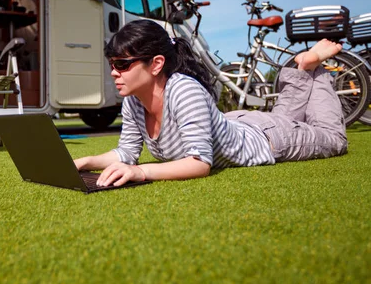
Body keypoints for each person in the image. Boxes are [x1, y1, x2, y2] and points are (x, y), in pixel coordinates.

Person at [74, 20, 347, 187]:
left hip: (270, 140)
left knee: (334, 139)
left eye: (122, 65)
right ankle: (301, 69)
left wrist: (141, 172)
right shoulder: (133, 100)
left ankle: (312, 66)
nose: (114, 73)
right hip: (239, 124)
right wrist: (85, 162)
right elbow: (126, 153)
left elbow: (199, 163)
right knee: (286, 114)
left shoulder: (183, 90)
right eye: (112, 64)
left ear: (156, 64)